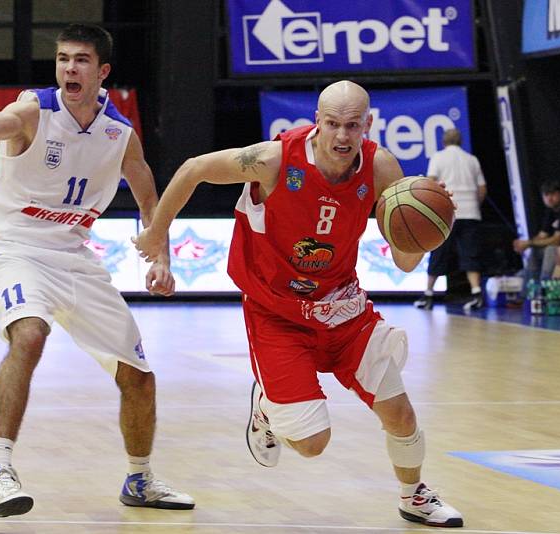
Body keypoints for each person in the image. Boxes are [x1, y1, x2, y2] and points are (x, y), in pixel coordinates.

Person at [134, 81, 463, 528]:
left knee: (399, 412)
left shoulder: (381, 166)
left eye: (352, 125)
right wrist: (156, 233)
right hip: (277, 313)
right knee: (312, 444)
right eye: (332, 124)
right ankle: (267, 405)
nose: (342, 136)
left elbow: (405, 263)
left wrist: (427, 231)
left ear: (368, 124)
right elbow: (194, 168)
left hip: (343, 308)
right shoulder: (274, 160)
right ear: (317, 121)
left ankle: (414, 495)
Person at [0, 23, 194, 517]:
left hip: (77, 257)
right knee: (30, 334)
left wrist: (161, 253)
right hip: (19, 248)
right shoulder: (33, 112)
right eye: (63, 59)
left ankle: (140, 479)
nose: (68, 68)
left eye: (81, 60)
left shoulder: (118, 132)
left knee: (139, 377)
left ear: (101, 72)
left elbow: (148, 191)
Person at [413, 129, 486, 312]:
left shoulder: (438, 157)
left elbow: (430, 185)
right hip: (470, 212)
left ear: (444, 142)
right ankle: (477, 294)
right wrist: (474, 204)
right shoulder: (472, 159)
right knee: (471, 254)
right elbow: (482, 188)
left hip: (447, 213)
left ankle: (428, 295)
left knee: (438, 252)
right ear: (460, 141)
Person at [513, 180, 560, 283]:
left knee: (550, 250)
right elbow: (542, 235)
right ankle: (530, 291)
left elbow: (557, 240)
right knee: (536, 251)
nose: (549, 198)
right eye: (546, 195)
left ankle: (544, 291)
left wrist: (529, 243)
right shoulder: (549, 211)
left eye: (553, 194)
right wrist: (526, 244)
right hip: (558, 248)